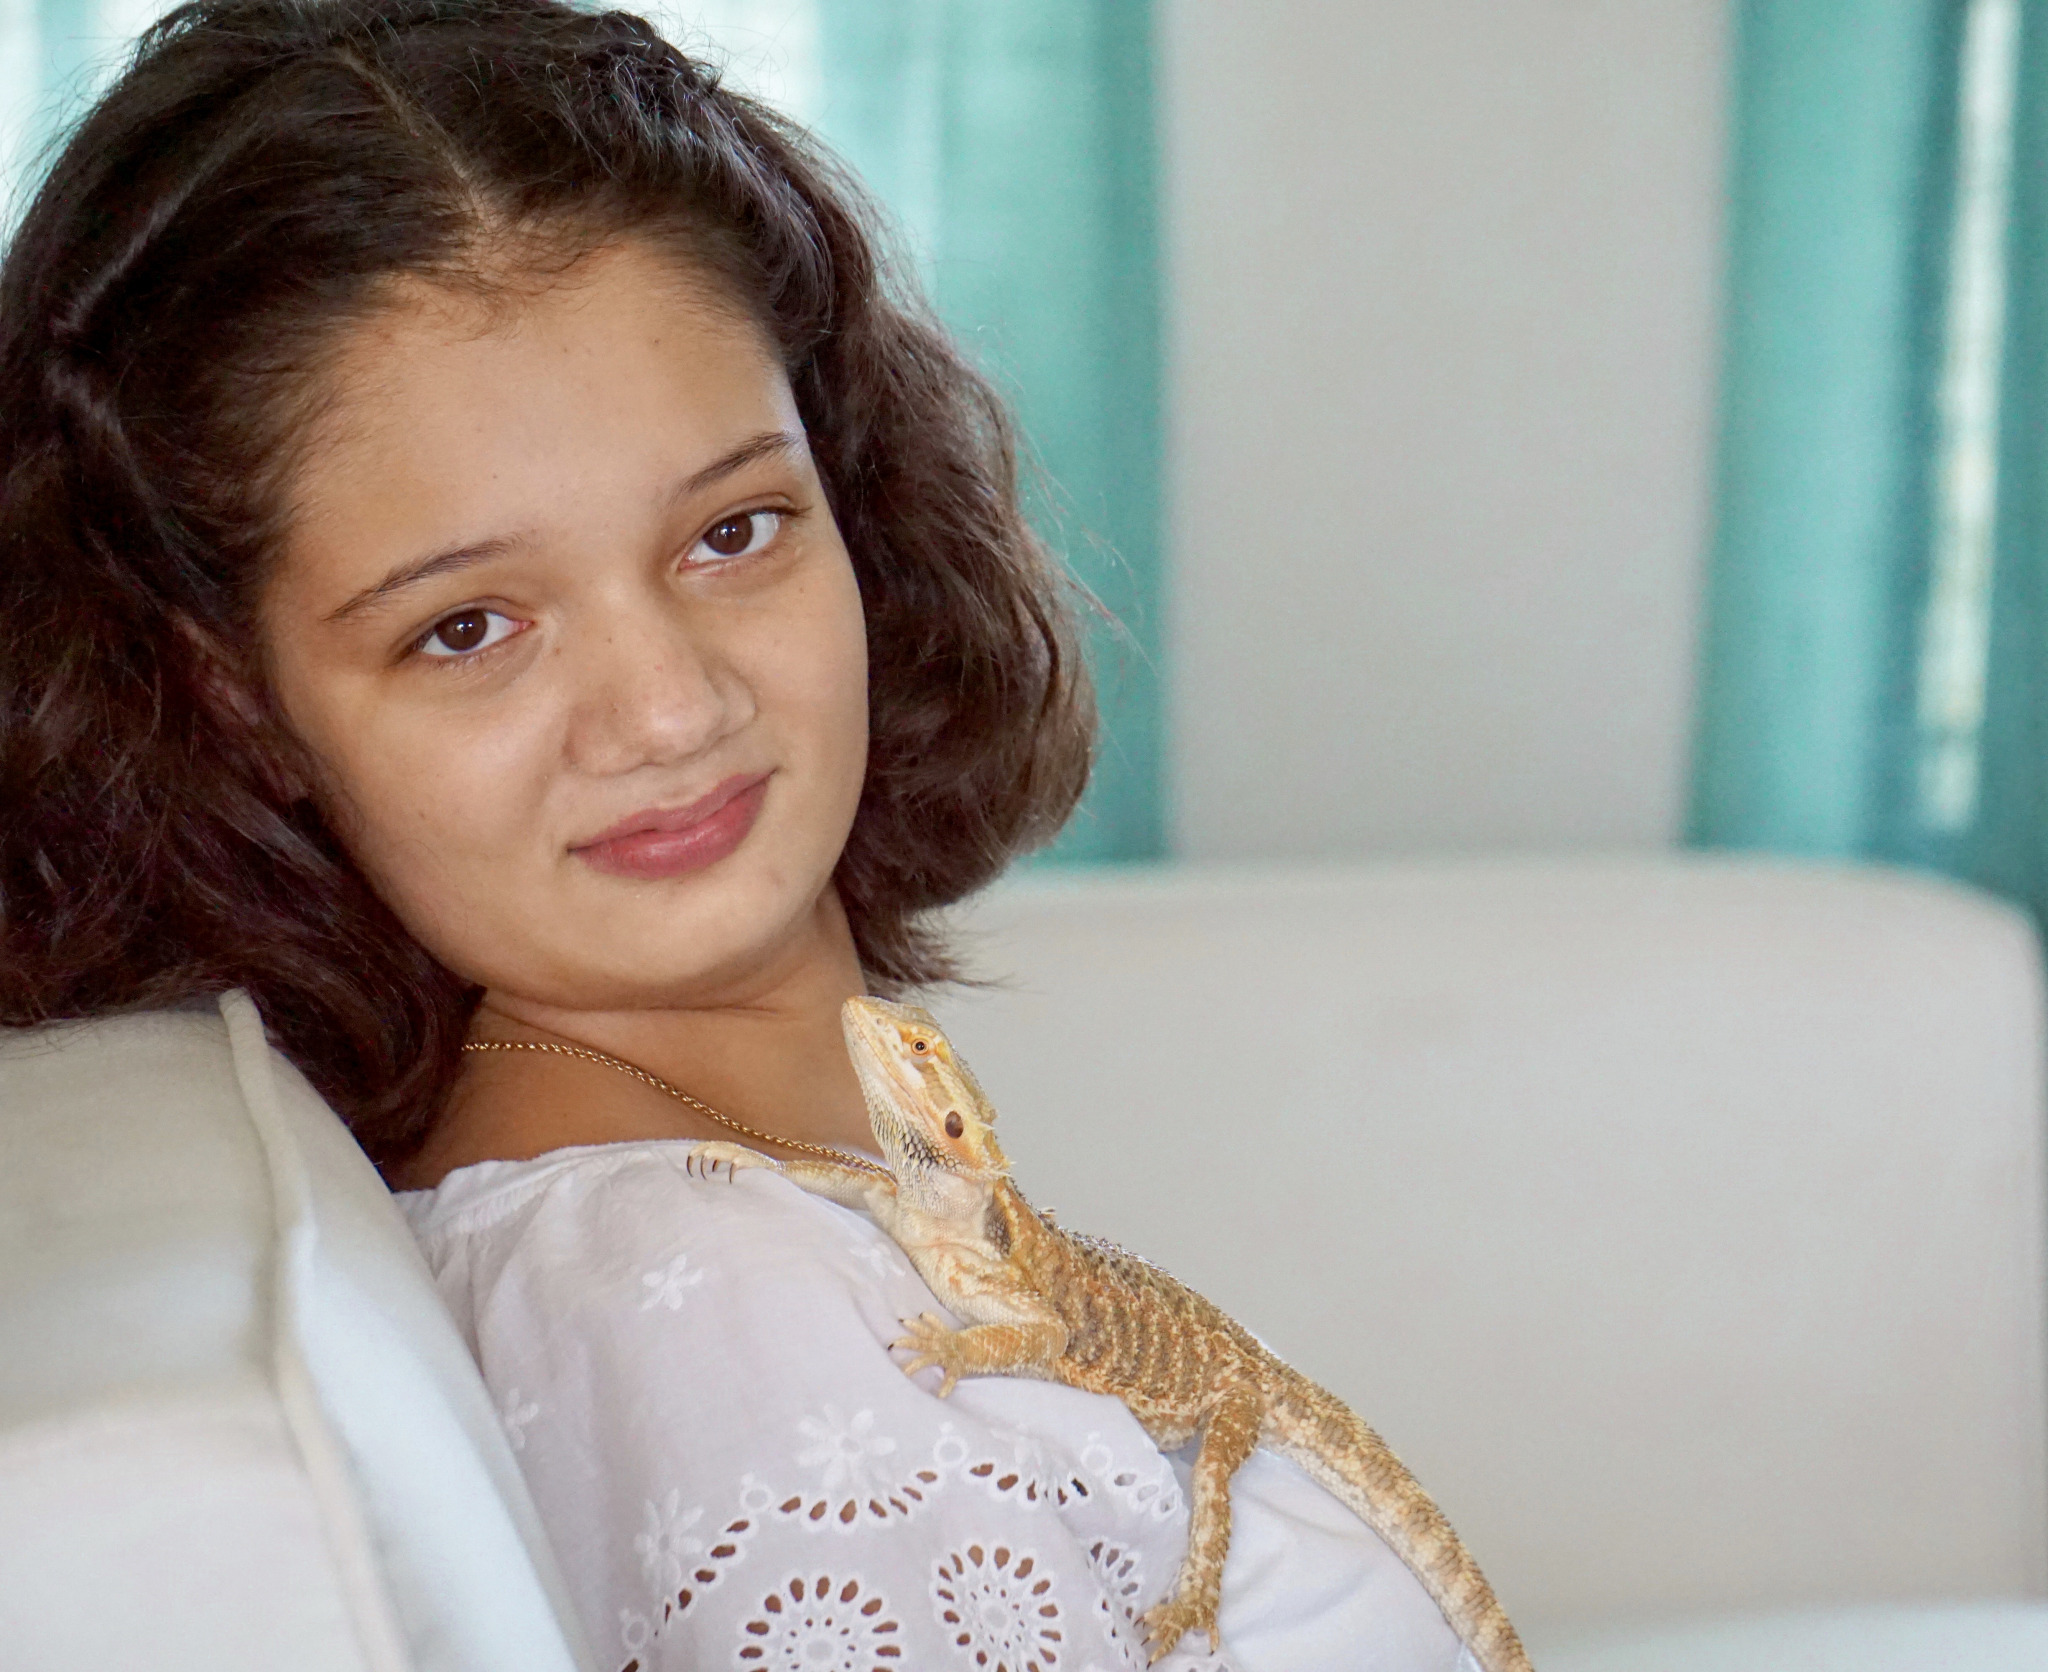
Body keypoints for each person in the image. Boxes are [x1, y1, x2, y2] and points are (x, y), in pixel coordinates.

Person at [0, 2, 1474, 1667]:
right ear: (236, 705)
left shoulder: (722, 1198)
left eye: (733, 530)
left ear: (851, 492)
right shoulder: (715, 1307)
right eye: (469, 628)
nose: (669, 710)